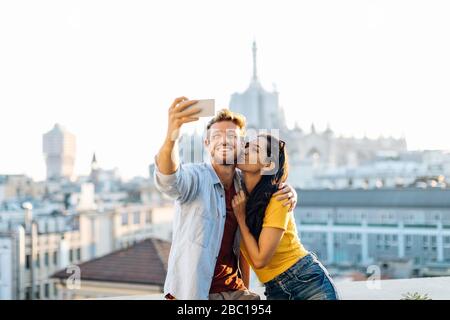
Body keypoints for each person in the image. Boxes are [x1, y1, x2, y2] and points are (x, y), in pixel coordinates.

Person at [154, 97, 298, 300]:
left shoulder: (245, 186)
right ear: (206, 143)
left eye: (232, 136)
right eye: (216, 136)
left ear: (241, 144)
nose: (224, 140)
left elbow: (243, 246)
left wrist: (289, 190)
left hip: (235, 291)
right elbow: (169, 180)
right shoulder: (195, 178)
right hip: (194, 294)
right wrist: (172, 136)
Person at [231, 134, 339, 300]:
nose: (246, 151)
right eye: (247, 146)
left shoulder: (278, 198)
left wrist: (241, 217)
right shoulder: (239, 195)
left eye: (255, 149)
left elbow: (260, 260)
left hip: (307, 283)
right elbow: (244, 252)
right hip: (275, 290)